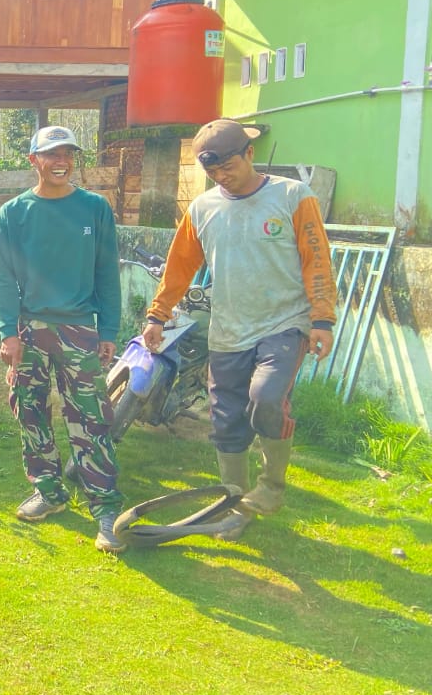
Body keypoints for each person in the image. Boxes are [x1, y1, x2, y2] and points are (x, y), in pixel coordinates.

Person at [142, 118, 336, 539]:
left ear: (250, 154)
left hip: (284, 324)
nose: (221, 177)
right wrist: (158, 315)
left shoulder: (292, 196)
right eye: (212, 171)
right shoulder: (203, 208)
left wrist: (322, 318)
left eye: (227, 166)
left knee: (266, 397)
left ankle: (271, 488)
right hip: (229, 330)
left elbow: (316, 259)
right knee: (227, 420)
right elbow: (179, 268)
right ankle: (234, 506)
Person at [0, 125, 126, 552]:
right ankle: (49, 491)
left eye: (67, 153)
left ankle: (105, 508)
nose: (60, 162)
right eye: (51, 154)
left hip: (79, 328)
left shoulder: (94, 208)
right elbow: (3, 278)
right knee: (28, 409)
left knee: (90, 416)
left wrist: (107, 329)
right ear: (33, 160)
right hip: (29, 327)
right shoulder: (13, 213)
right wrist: (7, 332)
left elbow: (107, 271)